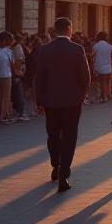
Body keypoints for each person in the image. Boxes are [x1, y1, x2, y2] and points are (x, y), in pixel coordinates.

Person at [34, 17, 91, 192]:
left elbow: (40, 78)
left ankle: (55, 165)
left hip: (50, 101)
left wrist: (39, 100)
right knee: (69, 136)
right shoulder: (77, 49)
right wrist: (82, 96)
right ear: (68, 29)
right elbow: (85, 76)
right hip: (72, 101)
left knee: (52, 135)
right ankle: (64, 174)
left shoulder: (44, 50)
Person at [0, 32, 15, 124]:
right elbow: (12, 64)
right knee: (5, 96)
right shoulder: (9, 52)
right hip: (6, 75)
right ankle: (3, 115)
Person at [91, 32, 112, 103]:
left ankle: (104, 97)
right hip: (108, 66)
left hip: (99, 66)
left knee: (102, 82)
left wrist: (93, 67)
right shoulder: (110, 46)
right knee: (108, 81)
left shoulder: (95, 46)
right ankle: (108, 95)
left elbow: (93, 58)